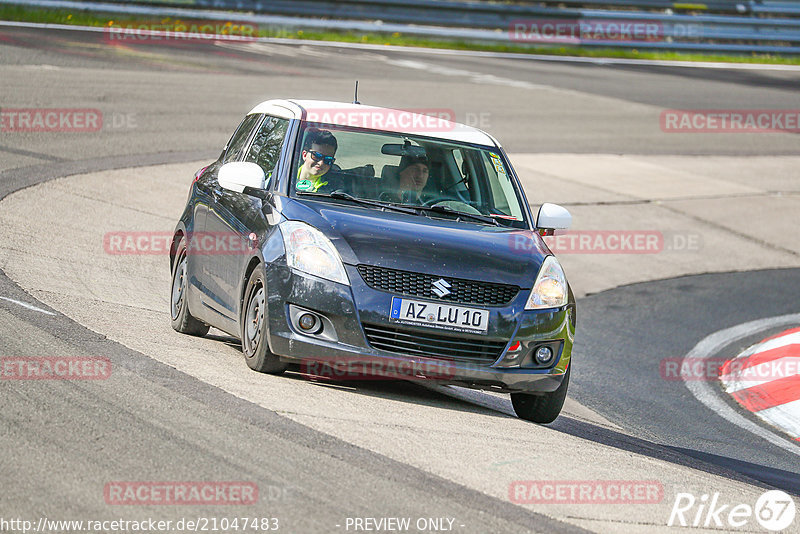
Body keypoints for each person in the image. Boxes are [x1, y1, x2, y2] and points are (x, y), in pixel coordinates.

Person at [295, 128, 341, 194]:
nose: (321, 163)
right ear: (304, 155)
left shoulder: (335, 189)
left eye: (328, 159)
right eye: (316, 156)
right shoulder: (286, 176)